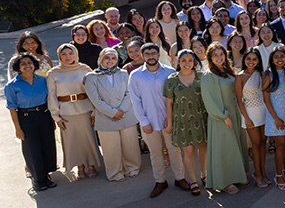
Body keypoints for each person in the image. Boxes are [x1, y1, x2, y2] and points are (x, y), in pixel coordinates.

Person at [129, 43, 188, 198]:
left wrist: (172, 119)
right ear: (142, 56)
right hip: (148, 122)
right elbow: (135, 101)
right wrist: (143, 122)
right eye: (147, 54)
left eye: (154, 53)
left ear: (159, 54)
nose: (151, 56)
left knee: (174, 150)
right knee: (155, 153)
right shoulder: (135, 75)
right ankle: (160, 181)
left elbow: (176, 98)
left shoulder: (169, 72)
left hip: (168, 121)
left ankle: (179, 178)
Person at [84, 47, 142, 182]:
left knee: (130, 144)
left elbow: (129, 93)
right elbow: (95, 100)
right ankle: (115, 173)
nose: (110, 61)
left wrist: (121, 110)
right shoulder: (91, 77)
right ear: (101, 59)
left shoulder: (123, 73)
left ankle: (132, 168)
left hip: (126, 113)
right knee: (111, 148)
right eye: (107, 57)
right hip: (106, 116)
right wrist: (113, 113)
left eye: (113, 58)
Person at [46, 43, 100, 181]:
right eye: (63, 54)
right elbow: (51, 96)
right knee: (72, 141)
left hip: (85, 109)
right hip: (66, 112)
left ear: (75, 54)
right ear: (59, 56)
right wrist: (56, 116)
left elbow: (93, 91)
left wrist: (94, 111)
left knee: (88, 139)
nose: (67, 57)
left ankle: (91, 165)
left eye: (70, 53)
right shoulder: (53, 73)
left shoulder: (85, 69)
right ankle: (80, 166)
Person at [5, 54, 58, 192]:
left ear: (34, 65)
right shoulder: (12, 86)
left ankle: (46, 175)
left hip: (44, 115)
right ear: (18, 67)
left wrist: (52, 120)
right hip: (26, 117)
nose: (27, 65)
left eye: (30, 62)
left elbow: (49, 100)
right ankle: (37, 178)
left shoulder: (42, 80)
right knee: (32, 148)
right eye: (23, 63)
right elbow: (12, 108)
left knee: (47, 145)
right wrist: (17, 129)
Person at [200, 44, 249, 194]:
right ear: (209, 58)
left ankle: (236, 175)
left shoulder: (228, 72)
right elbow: (209, 99)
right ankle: (225, 181)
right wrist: (223, 116)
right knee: (225, 148)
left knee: (235, 146)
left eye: (221, 54)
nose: (219, 57)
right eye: (215, 55)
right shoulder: (209, 75)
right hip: (221, 117)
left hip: (234, 114)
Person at [163, 49, 207, 196]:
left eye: (190, 60)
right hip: (182, 121)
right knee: (188, 152)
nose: (187, 63)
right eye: (183, 60)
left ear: (194, 61)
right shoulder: (171, 80)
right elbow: (169, 104)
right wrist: (169, 124)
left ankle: (205, 175)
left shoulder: (202, 77)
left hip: (201, 118)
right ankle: (193, 181)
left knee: (203, 148)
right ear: (178, 61)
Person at [262, 48, 285, 190]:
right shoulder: (269, 75)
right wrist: (275, 118)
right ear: (271, 59)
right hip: (275, 115)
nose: (279, 59)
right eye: (276, 57)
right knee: (281, 145)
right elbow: (266, 99)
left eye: (282, 56)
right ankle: (278, 176)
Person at [235, 49, 270, 188]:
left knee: (263, 143)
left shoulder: (261, 74)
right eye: (248, 58)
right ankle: (258, 174)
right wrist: (246, 118)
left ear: (258, 61)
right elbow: (239, 99)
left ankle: (263, 172)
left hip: (263, 111)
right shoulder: (240, 77)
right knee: (255, 144)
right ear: (244, 60)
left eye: (254, 59)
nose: (251, 61)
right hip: (250, 112)